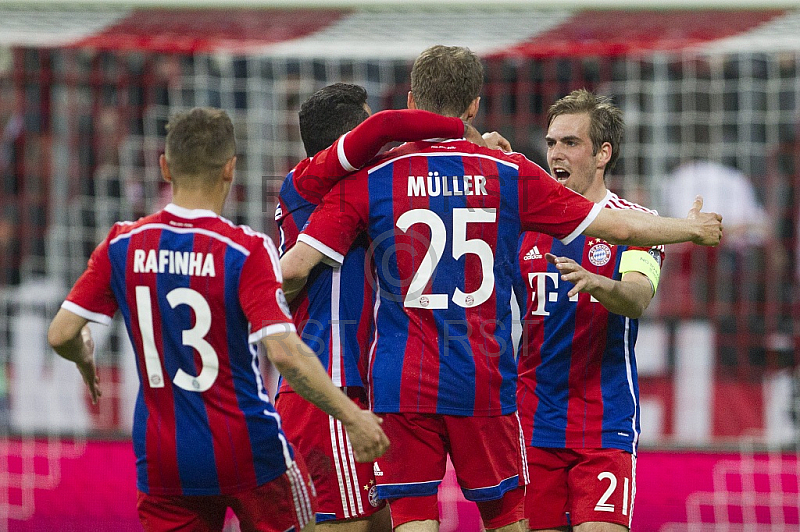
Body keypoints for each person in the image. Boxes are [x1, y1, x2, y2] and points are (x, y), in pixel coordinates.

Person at [279, 46, 722, 532]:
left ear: (410, 100)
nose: (555, 153)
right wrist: (691, 229)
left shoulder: (370, 178)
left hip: (400, 379)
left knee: (411, 521)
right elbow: (616, 227)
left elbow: (296, 267)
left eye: (569, 142)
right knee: (508, 520)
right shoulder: (508, 173)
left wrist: (244, 299)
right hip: (481, 378)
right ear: (473, 105)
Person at [47, 107, 389, 532]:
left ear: (164, 166)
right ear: (230, 169)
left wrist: (83, 357)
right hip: (248, 449)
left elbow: (61, 333)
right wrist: (351, 416)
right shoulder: (245, 250)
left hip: (163, 456)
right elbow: (284, 353)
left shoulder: (123, 244)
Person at [274, 83, 480, 531]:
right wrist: (461, 130)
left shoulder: (358, 191)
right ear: (350, 143)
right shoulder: (313, 180)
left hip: (354, 388)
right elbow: (389, 125)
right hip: (328, 386)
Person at [513, 89, 661, 531]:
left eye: (570, 143)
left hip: (604, 423)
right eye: (552, 142)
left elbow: (636, 298)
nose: (556, 153)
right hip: (532, 422)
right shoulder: (524, 223)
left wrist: (600, 284)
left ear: (602, 154)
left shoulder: (637, 223)